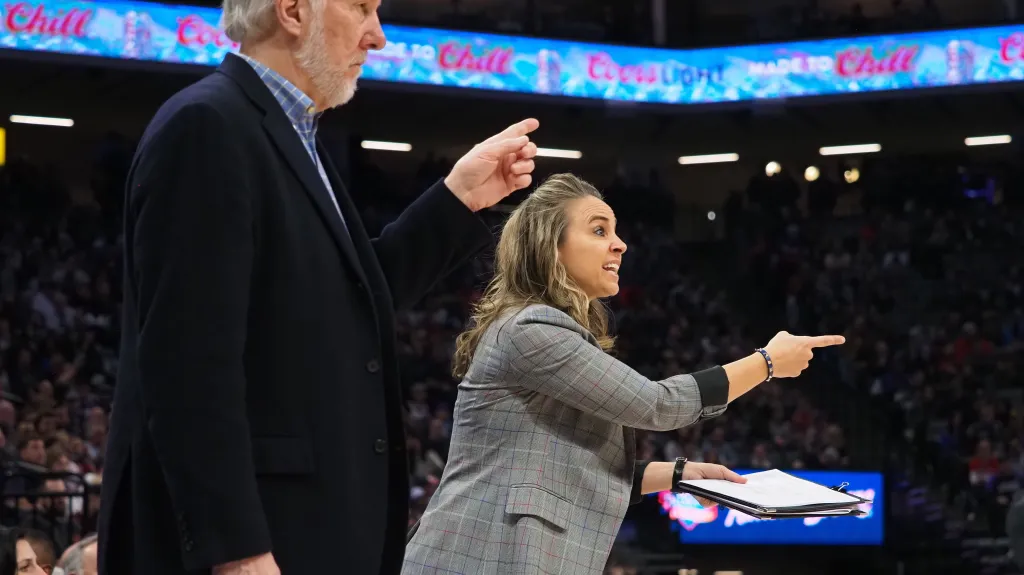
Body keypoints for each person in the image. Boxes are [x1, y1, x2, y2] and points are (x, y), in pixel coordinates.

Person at [95, 0, 539, 571]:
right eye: (361, 8)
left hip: (307, 525)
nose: (377, 36)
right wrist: (236, 548)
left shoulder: (292, 135)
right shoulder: (207, 126)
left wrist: (456, 200)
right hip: (259, 539)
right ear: (293, 11)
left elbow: (347, 298)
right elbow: (187, 363)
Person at [403, 174, 845, 574]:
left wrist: (678, 475)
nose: (620, 244)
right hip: (477, 556)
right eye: (599, 230)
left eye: (615, 231)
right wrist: (766, 362)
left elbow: (569, 469)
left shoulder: (540, 330)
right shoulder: (532, 329)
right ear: (549, 247)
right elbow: (659, 405)